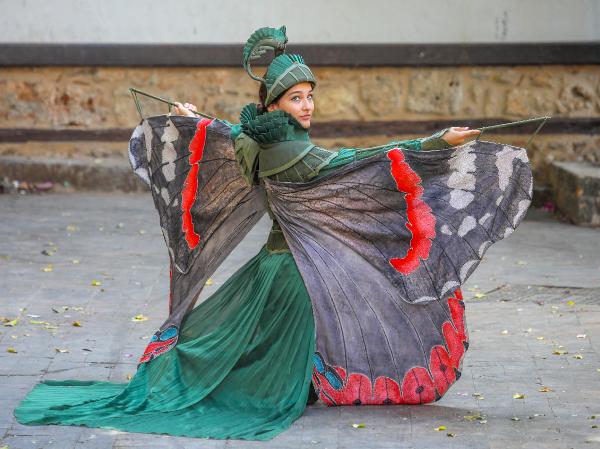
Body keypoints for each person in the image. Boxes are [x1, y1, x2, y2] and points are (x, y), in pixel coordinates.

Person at [14, 26, 530, 441]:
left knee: (249, 347)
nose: (307, 107)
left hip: (280, 264)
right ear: (274, 105)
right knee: (277, 354)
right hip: (296, 274)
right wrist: (437, 141)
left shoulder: (257, 140)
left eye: (310, 97)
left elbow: (231, 133)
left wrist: (192, 118)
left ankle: (293, 379)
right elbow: (360, 161)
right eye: (296, 99)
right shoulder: (289, 150)